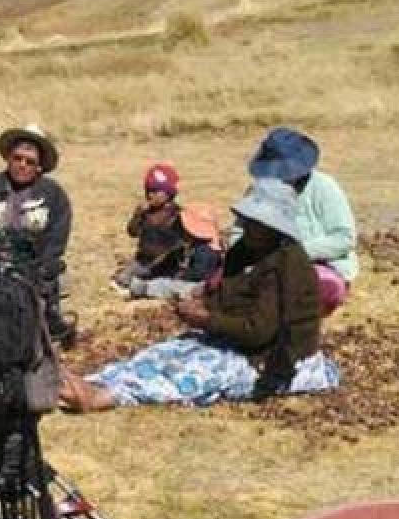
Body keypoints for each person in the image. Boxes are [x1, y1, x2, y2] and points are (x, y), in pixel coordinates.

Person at [61, 179, 339, 411]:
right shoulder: (244, 251)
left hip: (270, 358)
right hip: (233, 340)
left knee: (194, 371)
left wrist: (207, 319)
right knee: (163, 353)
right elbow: (227, 298)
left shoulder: (288, 263)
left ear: (276, 227)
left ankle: (104, 397)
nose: (250, 226)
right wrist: (201, 304)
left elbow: (259, 331)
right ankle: (97, 381)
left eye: (259, 222)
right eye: (249, 220)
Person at [0, 125, 75, 345]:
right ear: (8, 158)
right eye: (17, 158)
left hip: (31, 270)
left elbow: (55, 243)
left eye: (30, 162)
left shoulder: (54, 197)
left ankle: (48, 320)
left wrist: (41, 268)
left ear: (39, 167)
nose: (22, 165)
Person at [246, 127, 358, 316]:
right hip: (266, 267)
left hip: (318, 266)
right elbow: (239, 231)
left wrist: (293, 253)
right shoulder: (259, 190)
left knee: (320, 287)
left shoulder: (324, 188)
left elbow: (344, 238)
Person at [113, 163, 223, 301]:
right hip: (145, 261)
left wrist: (180, 274)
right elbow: (132, 231)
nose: (149, 195)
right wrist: (137, 216)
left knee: (163, 284)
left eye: (155, 191)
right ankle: (138, 285)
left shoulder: (177, 217)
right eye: (147, 190)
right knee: (123, 277)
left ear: (169, 193)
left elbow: (197, 270)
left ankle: (141, 288)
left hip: (174, 269)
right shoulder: (146, 213)